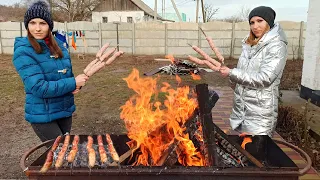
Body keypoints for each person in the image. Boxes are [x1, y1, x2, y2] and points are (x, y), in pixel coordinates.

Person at [189, 6, 288, 137]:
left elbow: (265, 78)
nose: (255, 26)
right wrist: (225, 71)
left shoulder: (277, 46)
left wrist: (231, 73)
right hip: (243, 110)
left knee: (255, 154)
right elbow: (241, 75)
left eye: (260, 21)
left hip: (260, 112)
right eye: (252, 22)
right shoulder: (249, 46)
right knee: (242, 151)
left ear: (269, 22)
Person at [13, 1, 99, 142]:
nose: (38, 28)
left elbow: (67, 77)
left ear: (49, 25)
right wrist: (72, 82)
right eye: (33, 23)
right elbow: (39, 87)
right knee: (62, 154)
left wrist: (76, 85)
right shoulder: (23, 52)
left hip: (64, 111)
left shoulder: (60, 47)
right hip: (43, 116)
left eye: (43, 23)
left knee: (65, 153)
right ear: (27, 26)